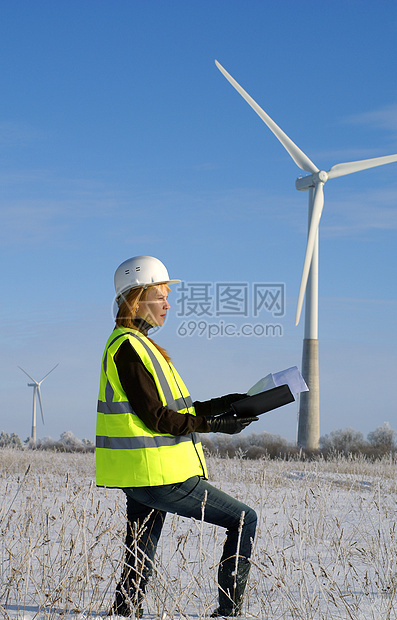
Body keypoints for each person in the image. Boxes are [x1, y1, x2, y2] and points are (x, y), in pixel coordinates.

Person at [96, 256, 259, 618]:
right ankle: (228, 611)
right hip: (160, 474)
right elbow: (156, 417)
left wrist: (222, 404)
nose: (168, 303)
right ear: (136, 300)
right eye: (160, 295)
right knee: (244, 519)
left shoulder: (139, 346)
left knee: (141, 547)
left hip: (140, 474)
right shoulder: (128, 348)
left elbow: (175, 408)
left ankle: (125, 611)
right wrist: (219, 427)